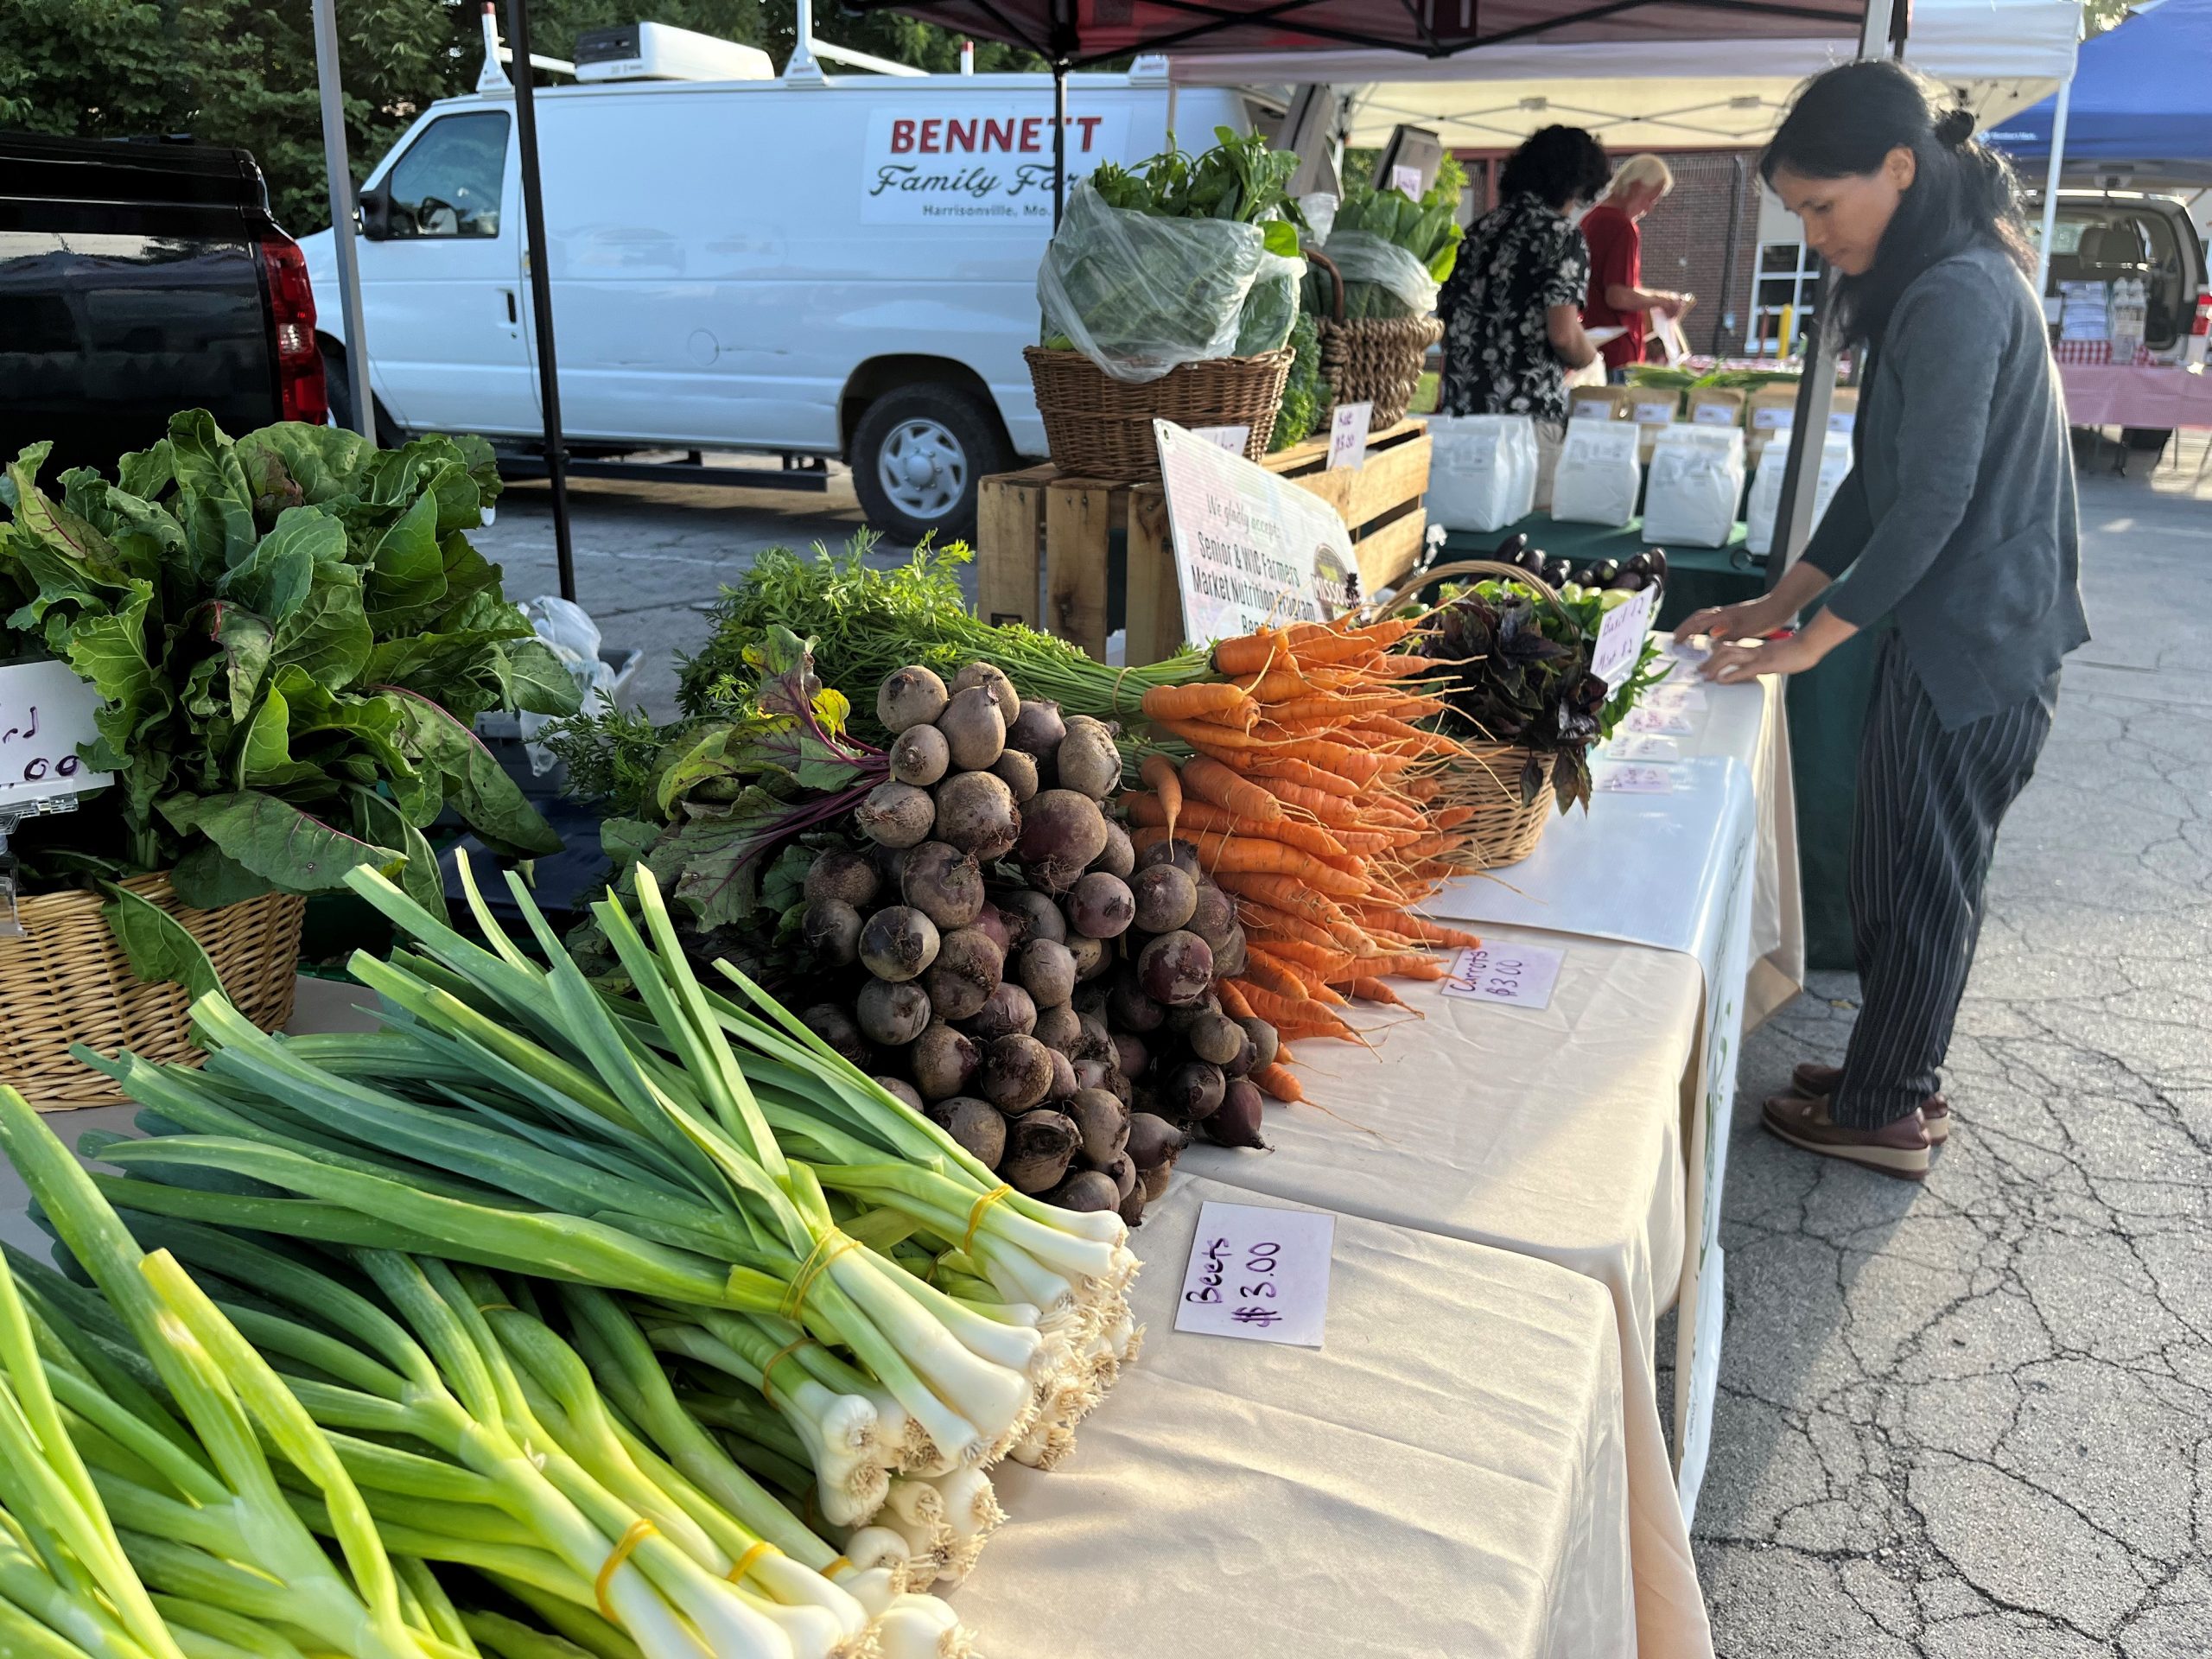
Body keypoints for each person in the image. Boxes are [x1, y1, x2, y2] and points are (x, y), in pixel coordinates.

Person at [1674, 60, 2088, 1182]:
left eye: (1823, 205)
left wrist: (1812, 642)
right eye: (1800, 211)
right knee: (1916, 870)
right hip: (1971, 637)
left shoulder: (1956, 290)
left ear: (1900, 170)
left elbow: (1936, 504)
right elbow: (1877, 482)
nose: (1812, 236)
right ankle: (1888, 1072)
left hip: (1976, 646)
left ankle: (1890, 1106)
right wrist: (1780, 600)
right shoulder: (1944, 277)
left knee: (1920, 880)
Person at [1439, 125, 1612, 427]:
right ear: (1576, 186)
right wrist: (1590, 359)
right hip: (1526, 418)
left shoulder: (1477, 232)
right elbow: (1563, 334)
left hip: (1462, 412)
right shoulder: (1561, 236)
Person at [1579, 154, 1694, 379]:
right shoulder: (1622, 227)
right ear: (1636, 186)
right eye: (1651, 198)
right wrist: (1662, 300)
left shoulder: (1590, 218)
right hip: (1616, 350)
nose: (1649, 208)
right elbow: (1618, 296)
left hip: (1589, 347)